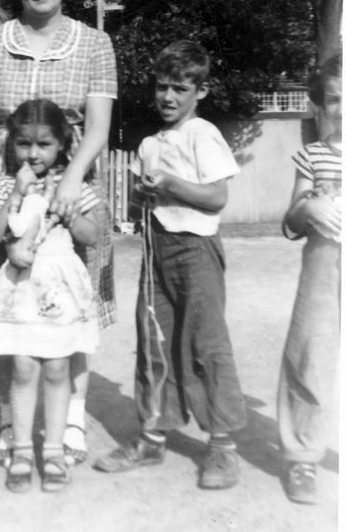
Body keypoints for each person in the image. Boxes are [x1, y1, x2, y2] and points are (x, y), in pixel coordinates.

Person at [0, 0, 118, 467]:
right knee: (10, 301)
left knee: (73, 304)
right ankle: (13, 420)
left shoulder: (95, 42)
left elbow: (97, 125)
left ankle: (70, 421)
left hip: (72, 176)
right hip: (6, 185)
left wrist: (73, 180)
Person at [94, 40, 246, 489]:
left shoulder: (203, 133)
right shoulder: (148, 144)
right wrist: (144, 193)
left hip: (196, 250)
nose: (168, 97)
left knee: (205, 343)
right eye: (162, 87)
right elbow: (148, 197)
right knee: (153, 338)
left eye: (180, 88)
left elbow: (217, 196)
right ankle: (151, 437)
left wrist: (174, 185)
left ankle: (222, 448)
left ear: (200, 91)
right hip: (156, 248)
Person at [0, 98, 101, 492]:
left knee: (58, 366)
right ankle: (22, 448)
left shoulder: (74, 185)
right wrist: (14, 197)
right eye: (24, 144)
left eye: (44, 145)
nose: (33, 153)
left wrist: (70, 211)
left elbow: (93, 236)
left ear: (61, 144)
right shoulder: (9, 184)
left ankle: (55, 449)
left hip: (58, 291)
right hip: (21, 292)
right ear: (13, 145)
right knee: (24, 366)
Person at [277, 53, 342, 505]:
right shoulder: (314, 155)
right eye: (335, 99)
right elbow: (290, 222)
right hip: (324, 259)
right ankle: (302, 453)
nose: (343, 108)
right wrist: (311, 207)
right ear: (321, 104)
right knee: (311, 350)